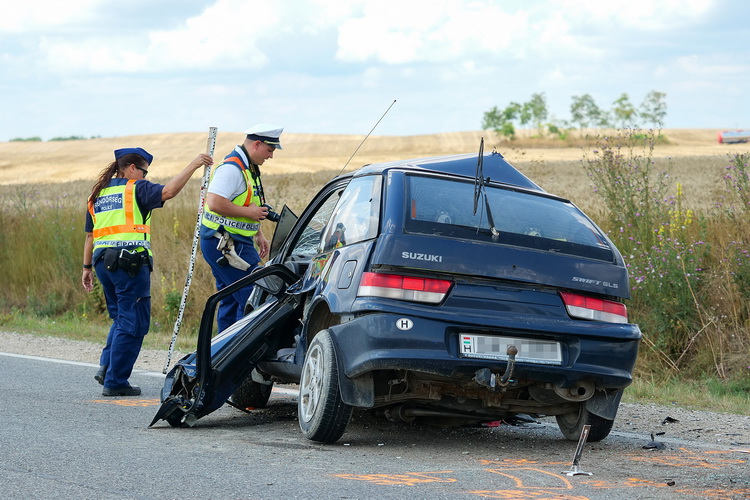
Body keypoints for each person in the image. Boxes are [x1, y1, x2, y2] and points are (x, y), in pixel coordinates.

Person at [82, 147, 213, 396]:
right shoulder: (135, 188)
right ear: (132, 168)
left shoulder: (98, 193)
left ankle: (107, 366)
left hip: (102, 263)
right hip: (129, 263)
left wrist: (86, 267)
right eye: (144, 171)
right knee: (134, 323)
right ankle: (116, 381)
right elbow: (169, 191)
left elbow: (90, 235)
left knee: (121, 317)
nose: (145, 176)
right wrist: (194, 164)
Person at [199, 124, 283, 333]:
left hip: (234, 241)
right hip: (225, 243)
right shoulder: (232, 169)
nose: (271, 156)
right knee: (253, 297)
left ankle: (220, 356)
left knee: (231, 299)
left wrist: (258, 233)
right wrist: (250, 215)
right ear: (256, 144)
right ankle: (238, 357)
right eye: (269, 150)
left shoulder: (248, 167)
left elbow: (247, 203)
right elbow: (214, 202)